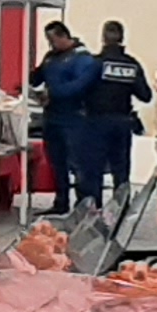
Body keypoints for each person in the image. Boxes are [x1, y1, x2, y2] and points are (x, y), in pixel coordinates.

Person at [78, 20, 150, 209]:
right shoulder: (131, 65)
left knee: (94, 168)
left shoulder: (95, 64)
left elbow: (79, 90)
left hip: (96, 122)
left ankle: (95, 209)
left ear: (103, 38)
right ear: (122, 38)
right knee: (121, 168)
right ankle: (120, 207)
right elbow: (145, 95)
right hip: (122, 122)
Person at [31, 21, 99, 214]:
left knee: (77, 163)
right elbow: (38, 77)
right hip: (52, 117)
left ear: (63, 36)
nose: (51, 45)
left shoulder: (82, 59)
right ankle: (61, 202)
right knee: (56, 162)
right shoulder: (51, 58)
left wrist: (52, 93)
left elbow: (79, 86)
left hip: (75, 118)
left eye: (53, 40)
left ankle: (83, 203)